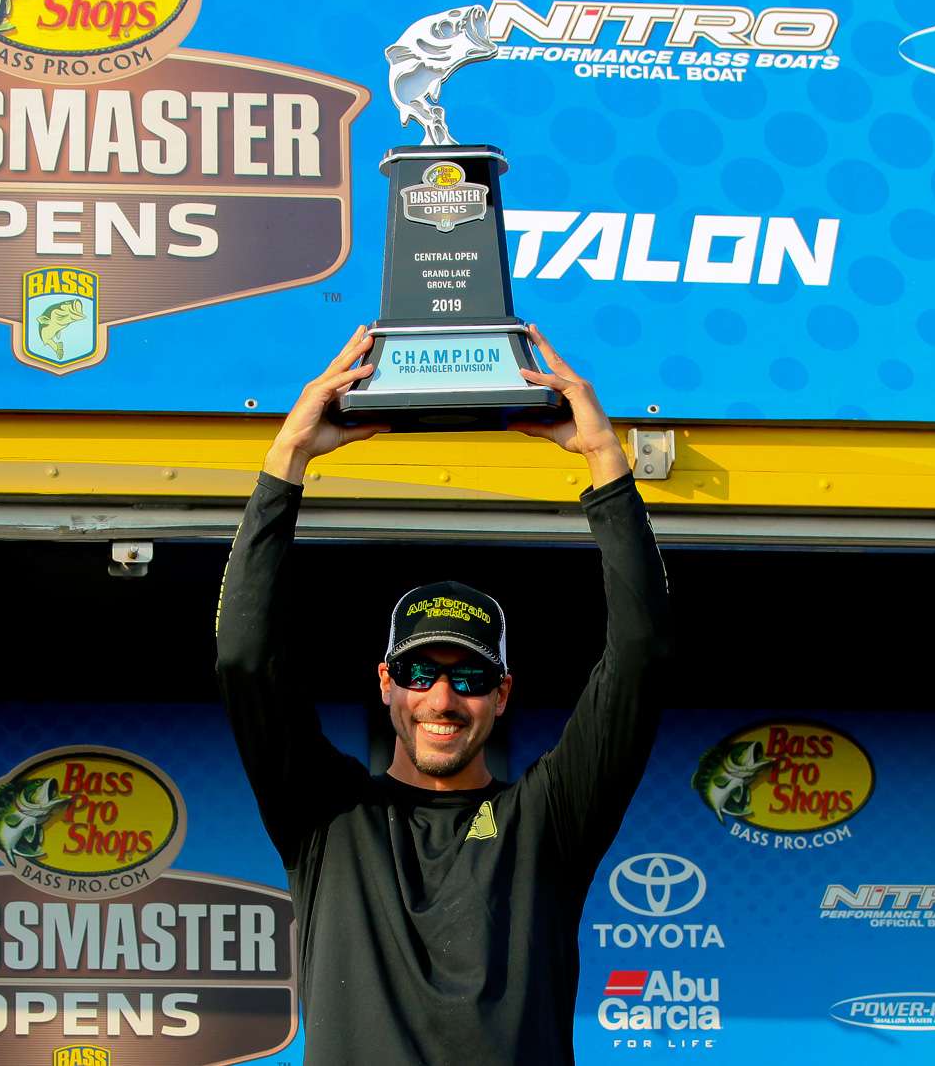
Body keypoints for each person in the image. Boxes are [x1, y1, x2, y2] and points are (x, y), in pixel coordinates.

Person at [214, 324, 674, 1066]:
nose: (442, 698)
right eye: (420, 673)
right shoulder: (326, 816)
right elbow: (244, 659)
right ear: (386, 682)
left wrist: (605, 462)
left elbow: (640, 659)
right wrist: (287, 460)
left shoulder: (547, 822)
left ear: (502, 694)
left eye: (469, 678)